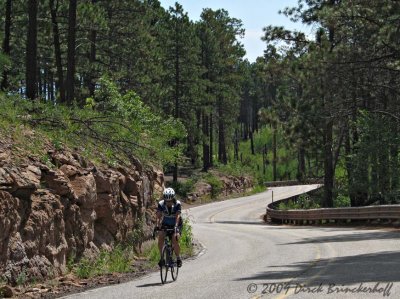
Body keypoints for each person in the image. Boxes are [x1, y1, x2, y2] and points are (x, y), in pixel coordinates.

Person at [156, 187, 183, 267]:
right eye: (167, 201)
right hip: (166, 223)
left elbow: (178, 216)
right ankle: (162, 258)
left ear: (173, 198)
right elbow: (158, 216)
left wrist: (176, 226)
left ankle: (178, 258)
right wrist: (157, 225)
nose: (168, 202)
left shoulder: (177, 203)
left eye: (170, 201)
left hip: (176, 223)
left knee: (175, 239)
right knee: (160, 237)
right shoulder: (161, 204)